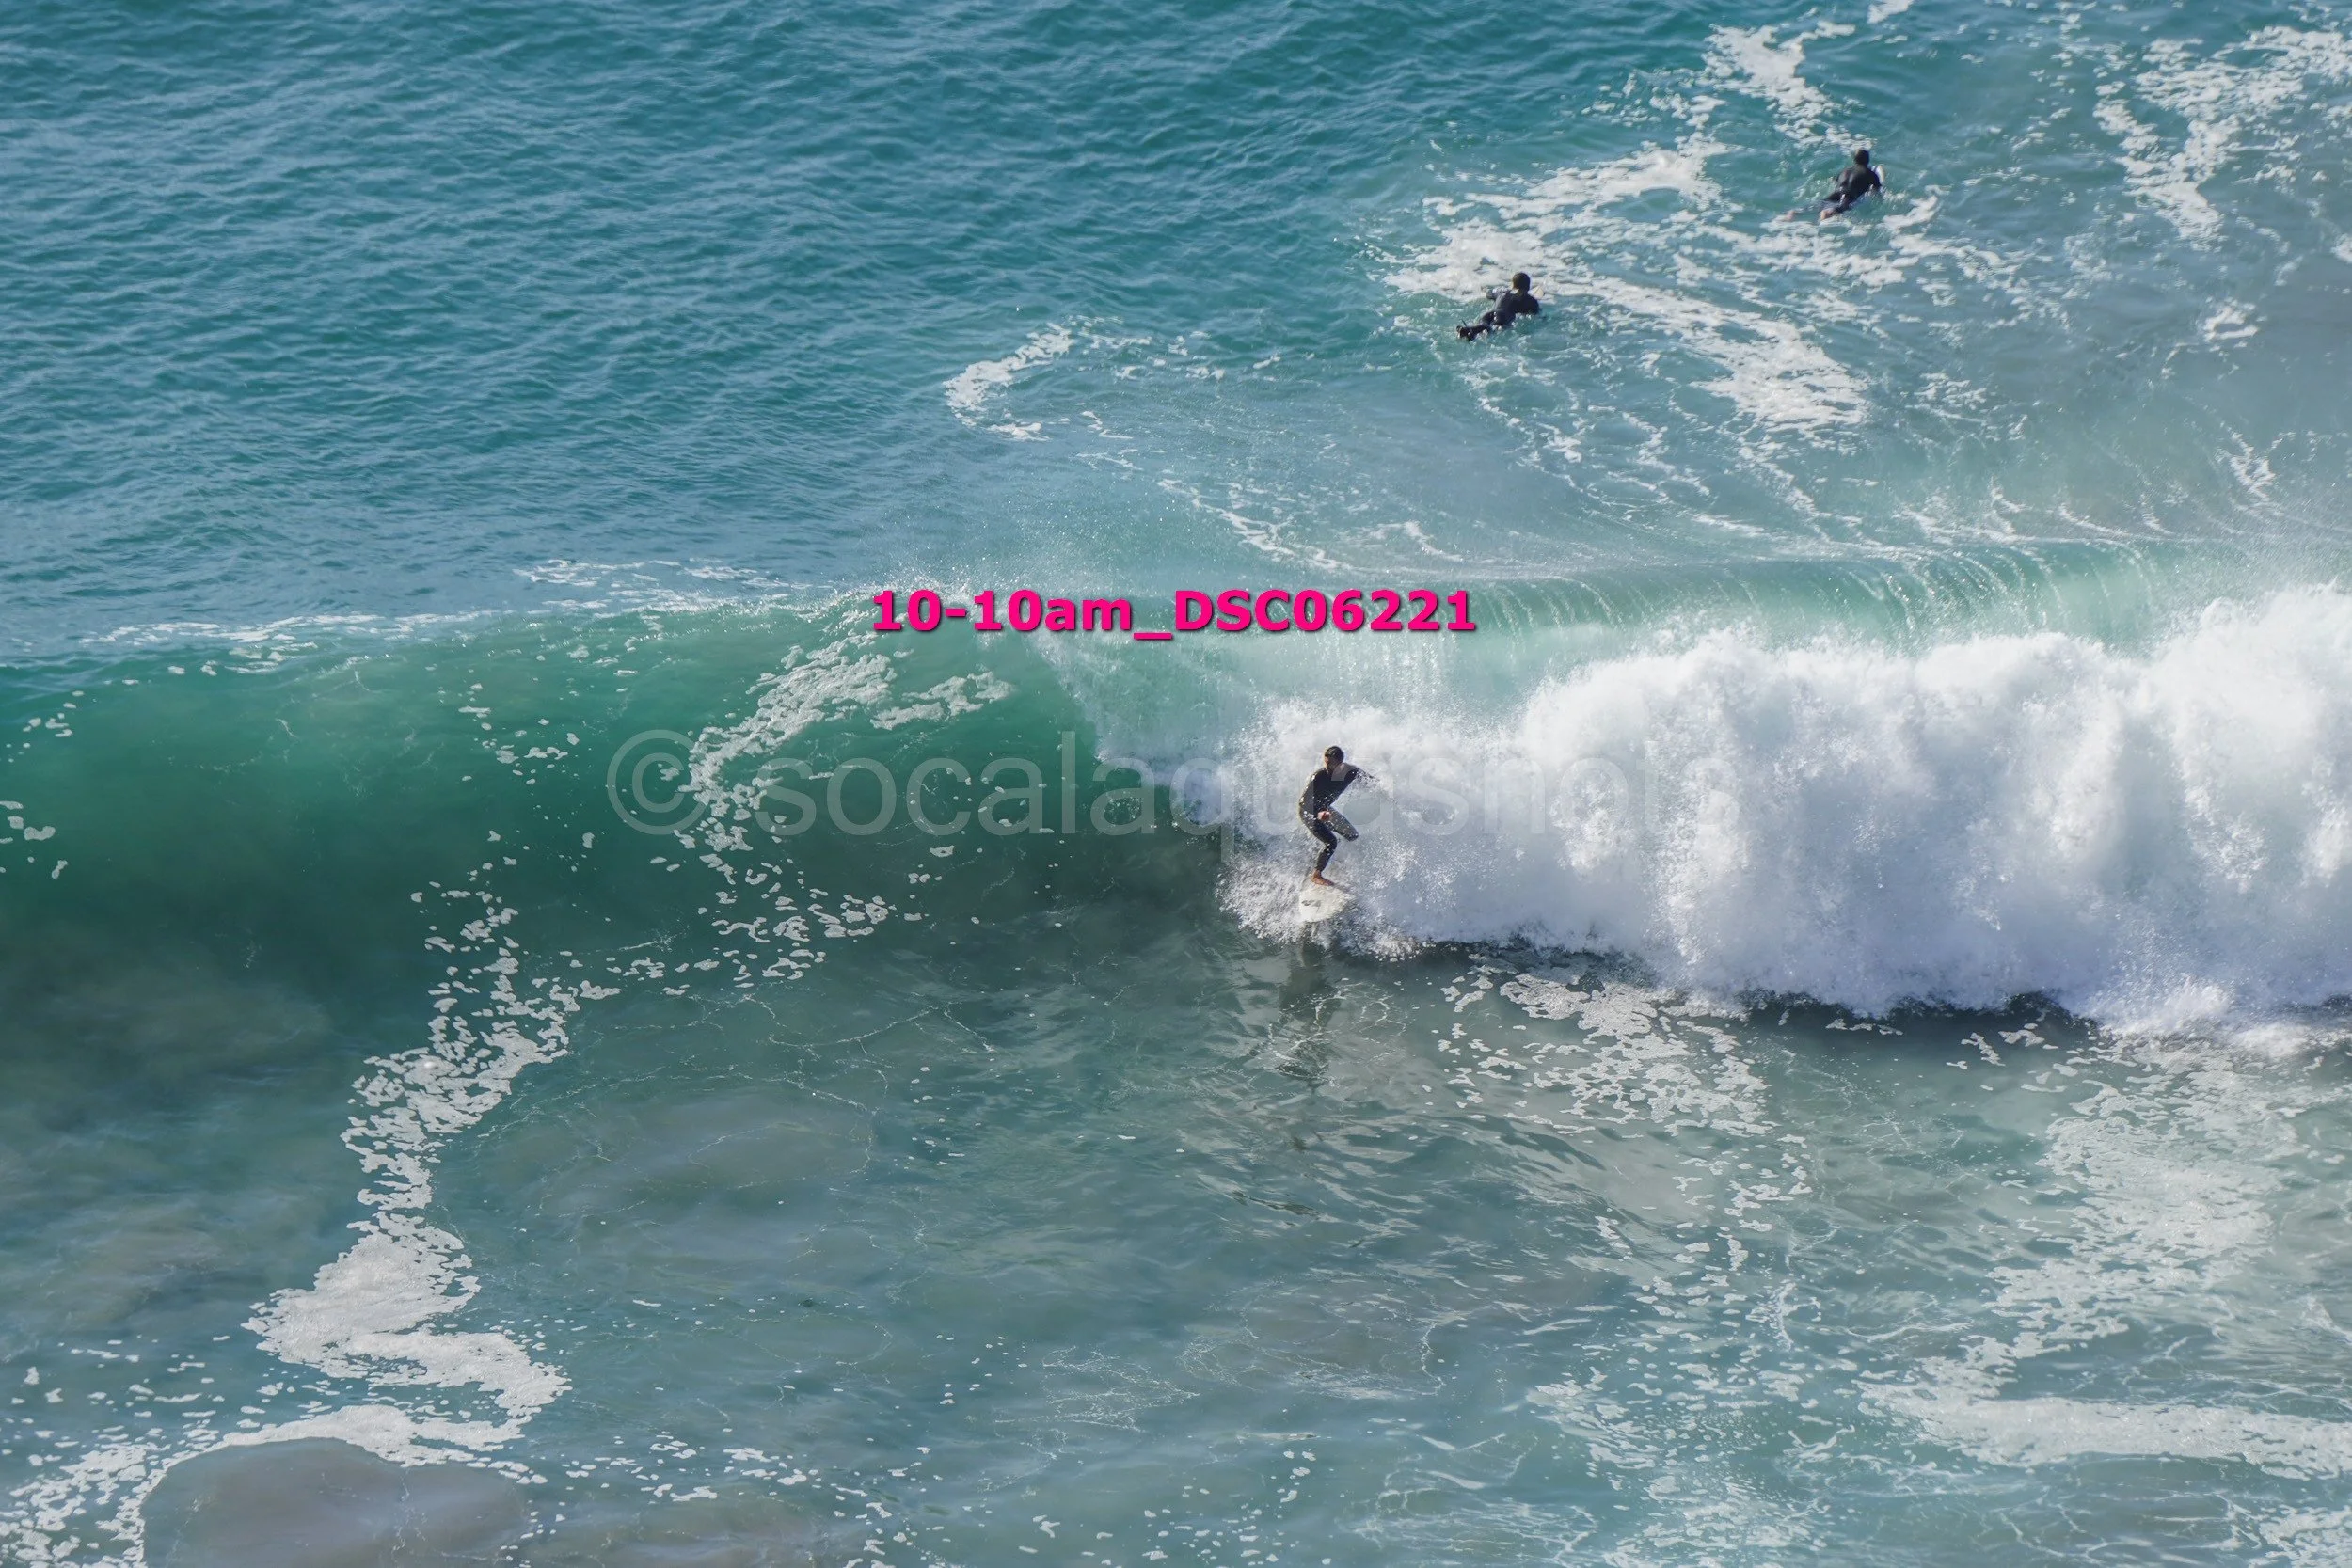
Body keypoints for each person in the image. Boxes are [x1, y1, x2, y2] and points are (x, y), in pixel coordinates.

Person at [1299, 746, 1370, 885]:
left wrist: (1387, 793)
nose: (1327, 767)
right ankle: (1316, 874)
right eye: (1325, 762)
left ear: (1340, 763)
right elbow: (1303, 802)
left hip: (1326, 811)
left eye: (1330, 763)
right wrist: (1319, 813)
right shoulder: (1319, 776)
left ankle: (1327, 857)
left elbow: (1370, 781)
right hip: (1309, 812)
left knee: (1351, 835)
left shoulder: (1350, 771)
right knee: (1331, 841)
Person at [1457, 272, 1540, 341]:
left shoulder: (1502, 293)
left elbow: (1489, 294)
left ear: (1513, 284)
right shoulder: (1529, 299)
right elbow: (1535, 312)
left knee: (1484, 325)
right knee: (1490, 329)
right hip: (1502, 317)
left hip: (1489, 313)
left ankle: (1468, 330)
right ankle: (1470, 331)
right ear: (1528, 287)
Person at [1820, 148, 1883, 219]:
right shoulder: (1870, 173)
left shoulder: (1845, 170)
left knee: (1822, 203)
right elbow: (1877, 190)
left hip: (1837, 192)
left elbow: (1834, 180)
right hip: (1849, 195)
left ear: (1855, 160)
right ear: (1867, 161)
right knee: (1843, 207)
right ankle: (1828, 213)